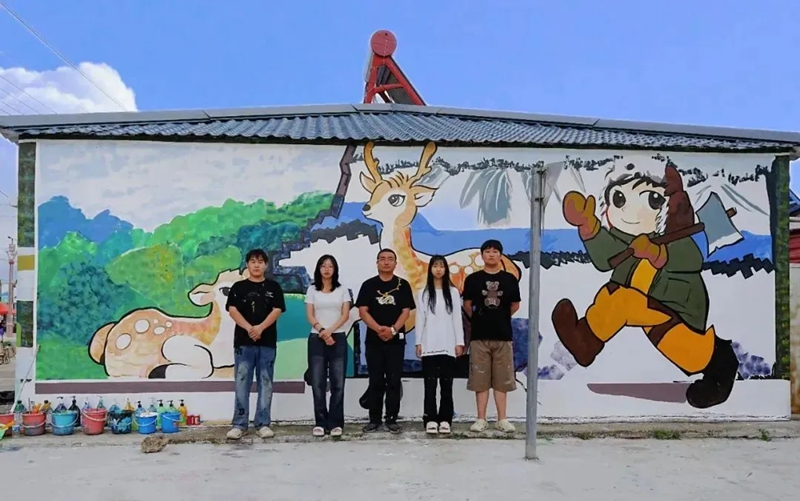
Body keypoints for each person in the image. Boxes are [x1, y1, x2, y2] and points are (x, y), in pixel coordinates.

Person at [225, 249, 286, 440]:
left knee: (265, 383)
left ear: (266, 265)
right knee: (242, 383)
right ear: (247, 265)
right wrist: (249, 328)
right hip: (243, 344)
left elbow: (277, 310)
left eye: (260, 262)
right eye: (253, 261)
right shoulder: (238, 287)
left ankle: (263, 423)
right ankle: (239, 424)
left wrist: (260, 328)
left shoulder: (274, 287)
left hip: (267, 343)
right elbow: (232, 310)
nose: (256, 265)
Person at [462, 239, 521, 433]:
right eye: (487, 251)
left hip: (503, 336)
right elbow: (467, 305)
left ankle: (502, 419)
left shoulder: (509, 279)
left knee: (502, 380)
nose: (491, 254)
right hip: (479, 336)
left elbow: (514, 305)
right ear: (482, 255)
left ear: (501, 255)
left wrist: (500, 318)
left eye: (495, 251)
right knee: (480, 380)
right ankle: (481, 419)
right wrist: (480, 319)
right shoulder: (473, 279)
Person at [356, 248, 415, 434]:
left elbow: (406, 311)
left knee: (393, 380)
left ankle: (391, 419)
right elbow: (363, 311)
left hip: (396, 341)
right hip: (374, 341)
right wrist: (378, 329)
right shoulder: (368, 285)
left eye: (390, 259)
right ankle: (374, 419)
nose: (386, 262)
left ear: (395, 264)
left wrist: (393, 330)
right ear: (377, 263)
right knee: (375, 380)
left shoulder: (403, 285)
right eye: (382, 259)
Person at [415, 255, 465, 434]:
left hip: (448, 344)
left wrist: (459, 342)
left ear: (446, 269)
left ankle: (445, 419)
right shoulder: (423, 293)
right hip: (429, 344)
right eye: (435, 266)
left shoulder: (453, 292)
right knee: (430, 385)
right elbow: (420, 319)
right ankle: (430, 419)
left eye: (441, 266)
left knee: (446, 385)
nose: (438, 269)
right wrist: (418, 342)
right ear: (430, 269)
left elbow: (457, 319)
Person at [305, 254, 351, 437]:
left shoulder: (342, 290)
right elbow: (310, 315)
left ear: (335, 269)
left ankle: (335, 423)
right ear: (318, 268)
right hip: (316, 339)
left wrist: (329, 331)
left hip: (337, 337)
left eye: (330, 266)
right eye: (323, 265)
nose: (326, 269)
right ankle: (320, 422)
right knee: (318, 383)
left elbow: (345, 315)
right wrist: (322, 331)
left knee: (338, 383)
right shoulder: (312, 290)